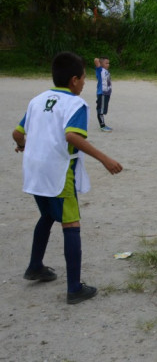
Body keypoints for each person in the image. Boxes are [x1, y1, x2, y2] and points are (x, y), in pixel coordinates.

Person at [12, 51, 123, 304]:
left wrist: (25, 145)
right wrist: (105, 159)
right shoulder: (75, 104)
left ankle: (35, 266)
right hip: (58, 172)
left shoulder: (37, 100)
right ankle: (74, 288)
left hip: (34, 169)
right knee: (71, 224)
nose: (85, 83)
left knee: (48, 215)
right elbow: (73, 137)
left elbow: (17, 133)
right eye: (84, 78)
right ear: (74, 80)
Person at [95, 56, 113, 132]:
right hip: (102, 93)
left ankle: (103, 124)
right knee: (101, 110)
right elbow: (95, 60)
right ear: (101, 64)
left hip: (106, 93)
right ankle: (102, 125)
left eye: (108, 63)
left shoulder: (106, 71)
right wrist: (100, 62)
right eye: (106, 63)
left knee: (104, 109)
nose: (108, 64)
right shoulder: (100, 70)